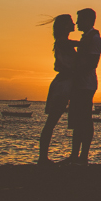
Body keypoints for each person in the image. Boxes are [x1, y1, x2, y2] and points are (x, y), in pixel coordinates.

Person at [62, 7, 101, 166]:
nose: (77, 23)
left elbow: (93, 63)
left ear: (88, 20)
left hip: (86, 84)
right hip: (80, 83)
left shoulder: (94, 38)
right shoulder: (87, 37)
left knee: (85, 119)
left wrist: (75, 71)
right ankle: (75, 155)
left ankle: (83, 156)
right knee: (78, 119)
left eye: (79, 19)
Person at [37, 14, 78, 165]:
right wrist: (86, 42)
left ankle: (43, 157)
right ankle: (42, 158)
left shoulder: (63, 42)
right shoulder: (62, 42)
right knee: (51, 121)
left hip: (65, 83)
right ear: (65, 26)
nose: (73, 24)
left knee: (52, 121)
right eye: (70, 22)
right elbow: (76, 45)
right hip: (63, 85)